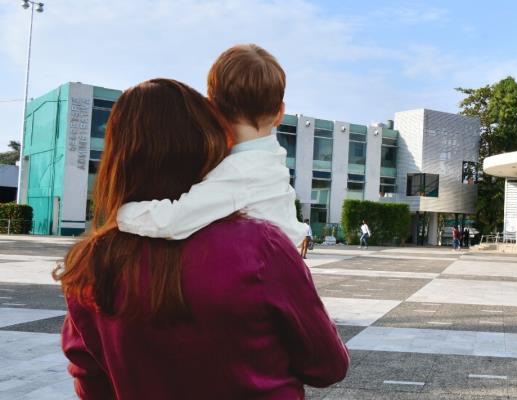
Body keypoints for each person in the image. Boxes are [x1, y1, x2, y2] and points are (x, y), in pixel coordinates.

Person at [55, 79, 348, 399]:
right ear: (205, 145)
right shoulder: (261, 246)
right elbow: (327, 366)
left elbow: (90, 381)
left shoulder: (90, 264)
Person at [116, 44, 304, 246]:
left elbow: (173, 221)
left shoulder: (238, 172)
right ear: (280, 113)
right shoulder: (272, 160)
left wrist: (124, 213)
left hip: (262, 273)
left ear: (213, 109)